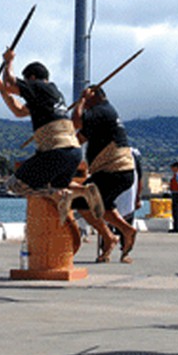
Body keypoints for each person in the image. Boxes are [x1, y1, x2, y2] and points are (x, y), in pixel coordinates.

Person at [0, 50, 90, 255]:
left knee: (14, 185)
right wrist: (2, 91)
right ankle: (83, 191)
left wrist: (8, 62)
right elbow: (18, 111)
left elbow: (11, 83)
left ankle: (57, 195)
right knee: (58, 188)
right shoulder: (52, 94)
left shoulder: (38, 86)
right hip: (73, 153)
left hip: (55, 151)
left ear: (32, 78)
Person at [68, 85, 138, 263]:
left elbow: (76, 122)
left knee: (81, 202)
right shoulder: (100, 116)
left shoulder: (102, 110)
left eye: (88, 101)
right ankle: (124, 231)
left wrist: (81, 101)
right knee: (104, 207)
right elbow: (78, 138)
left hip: (114, 171)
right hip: (118, 172)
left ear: (95, 96)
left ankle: (109, 237)